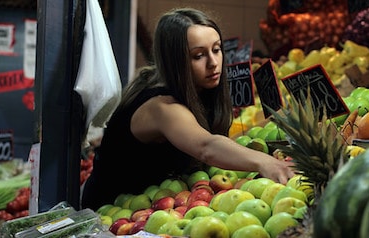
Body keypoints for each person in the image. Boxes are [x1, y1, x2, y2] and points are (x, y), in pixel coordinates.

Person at [81, 7, 295, 211]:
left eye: (217, 49)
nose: (213, 62)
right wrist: (265, 162)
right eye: (198, 55)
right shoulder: (161, 107)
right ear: (175, 61)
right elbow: (206, 146)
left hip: (155, 204)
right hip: (109, 215)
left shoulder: (198, 92)